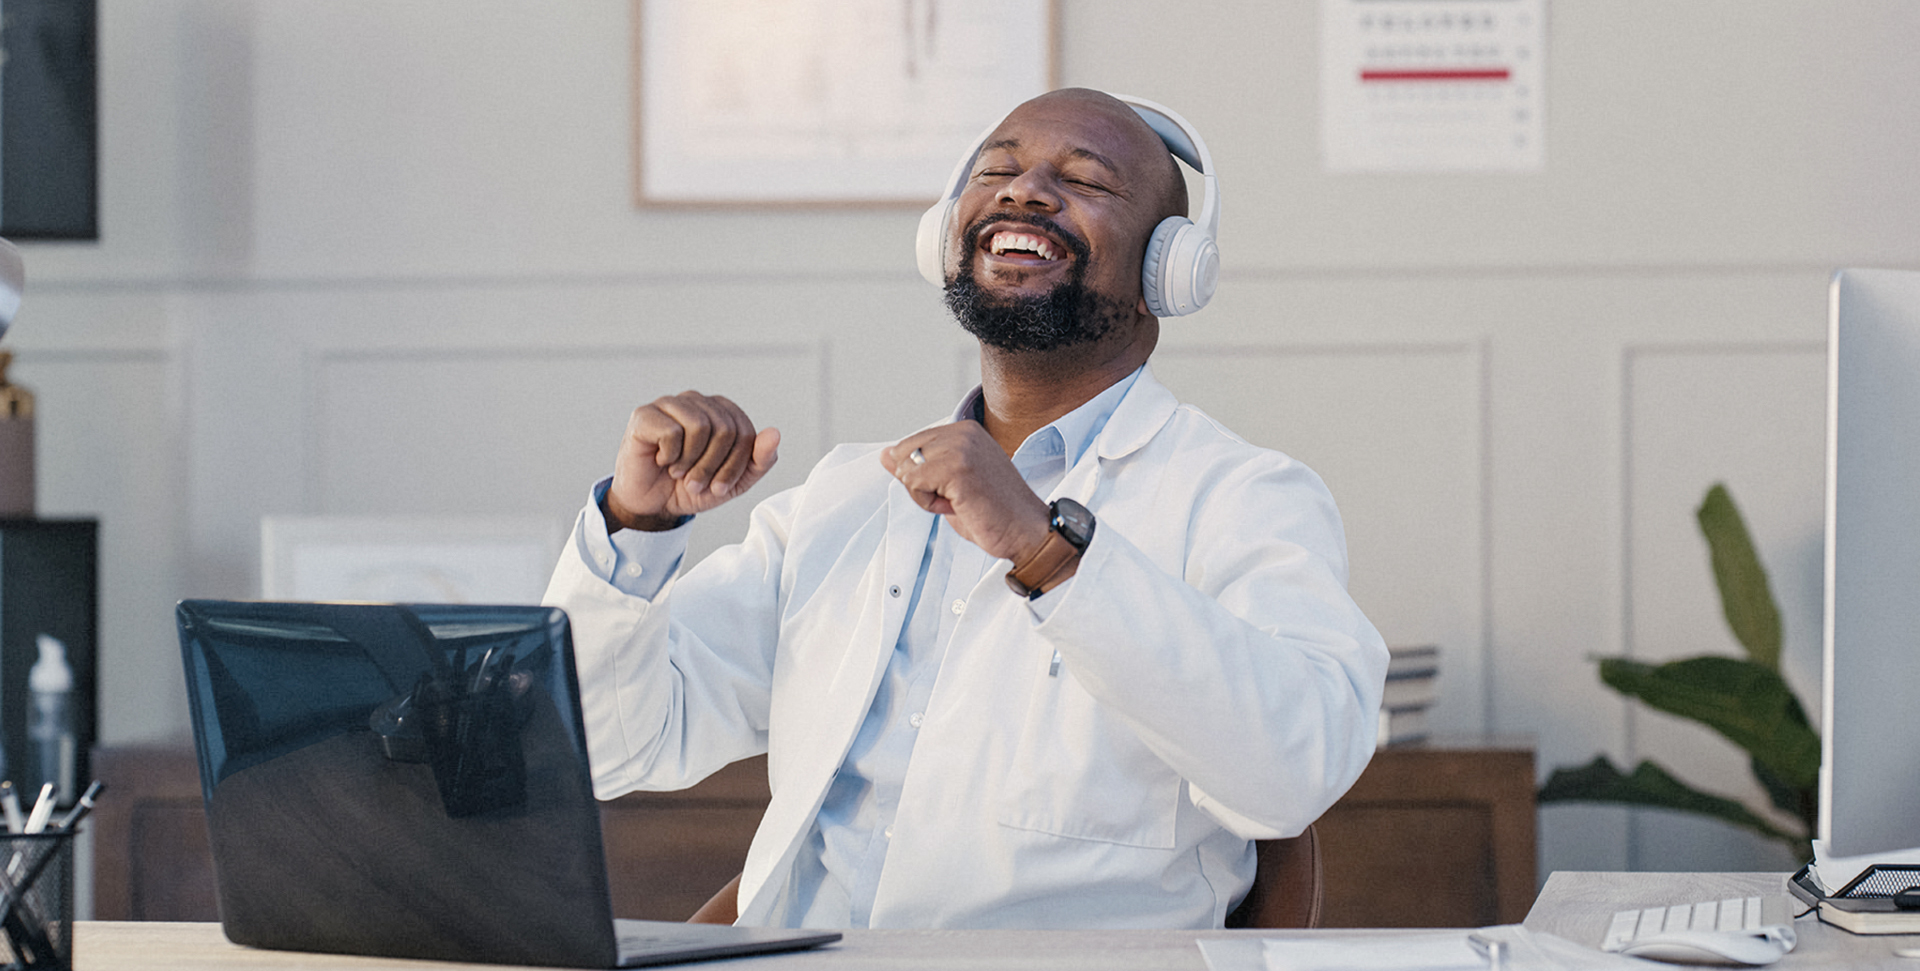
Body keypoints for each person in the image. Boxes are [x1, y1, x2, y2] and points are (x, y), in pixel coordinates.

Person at [543, 88, 1386, 929]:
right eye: (997, 170)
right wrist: (637, 527)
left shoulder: (1242, 497)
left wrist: (1048, 551)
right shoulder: (848, 499)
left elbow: (1294, 772)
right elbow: (610, 748)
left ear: (1166, 268)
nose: (1025, 192)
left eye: (1085, 180)